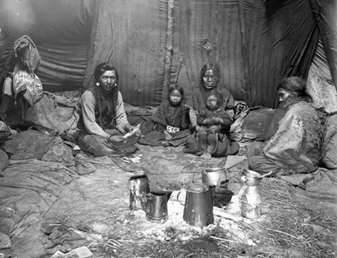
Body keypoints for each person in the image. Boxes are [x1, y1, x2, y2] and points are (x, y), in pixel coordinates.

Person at [247, 76, 323, 176]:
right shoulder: (308, 107)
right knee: (256, 147)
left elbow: (288, 146)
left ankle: (287, 172)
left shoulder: (294, 113)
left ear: (294, 94)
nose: (280, 99)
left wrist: (268, 149)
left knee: (254, 161)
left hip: (302, 161)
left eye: (282, 95)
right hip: (311, 157)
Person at [78, 62, 139, 156]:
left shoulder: (117, 94)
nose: (109, 81)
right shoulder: (89, 95)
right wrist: (109, 137)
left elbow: (120, 118)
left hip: (108, 130)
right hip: (89, 132)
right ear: (98, 79)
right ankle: (114, 149)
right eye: (105, 77)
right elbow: (90, 124)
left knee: (133, 137)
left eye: (112, 78)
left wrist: (128, 127)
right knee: (100, 147)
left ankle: (116, 148)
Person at [0, 35, 43, 124]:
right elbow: (6, 69)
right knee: (7, 90)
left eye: (26, 51)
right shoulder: (13, 55)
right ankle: (2, 114)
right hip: (11, 77)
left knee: (30, 90)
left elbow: (33, 70)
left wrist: (28, 72)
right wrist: (10, 75)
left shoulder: (33, 57)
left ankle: (24, 116)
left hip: (26, 77)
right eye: (22, 51)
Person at [184, 92, 239, 157]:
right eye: (208, 100)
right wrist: (204, 121)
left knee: (213, 139)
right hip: (204, 131)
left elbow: (228, 122)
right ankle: (203, 150)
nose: (210, 102)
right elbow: (199, 119)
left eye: (213, 100)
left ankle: (210, 151)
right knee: (199, 136)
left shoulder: (222, 112)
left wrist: (220, 121)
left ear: (219, 102)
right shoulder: (204, 111)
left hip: (217, 133)